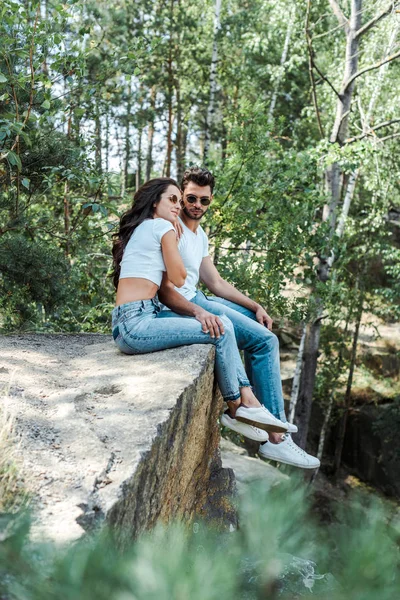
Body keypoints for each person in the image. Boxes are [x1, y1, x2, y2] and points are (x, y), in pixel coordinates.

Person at [158, 167, 320, 469]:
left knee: (258, 326)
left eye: (204, 201)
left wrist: (255, 304)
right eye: (191, 198)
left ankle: (257, 421)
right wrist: (200, 310)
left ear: (210, 201)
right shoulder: (172, 228)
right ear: (181, 196)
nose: (197, 205)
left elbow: (215, 282)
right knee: (264, 341)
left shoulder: (199, 233)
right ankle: (274, 438)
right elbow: (166, 288)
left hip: (201, 297)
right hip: (187, 304)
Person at [111, 177, 289, 441]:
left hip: (140, 316)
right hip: (135, 324)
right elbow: (180, 278)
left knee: (223, 324)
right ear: (153, 203)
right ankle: (240, 407)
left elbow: (204, 280)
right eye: (174, 199)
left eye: (177, 199)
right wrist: (171, 234)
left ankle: (240, 407)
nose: (179, 206)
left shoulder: (149, 227)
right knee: (219, 328)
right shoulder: (161, 227)